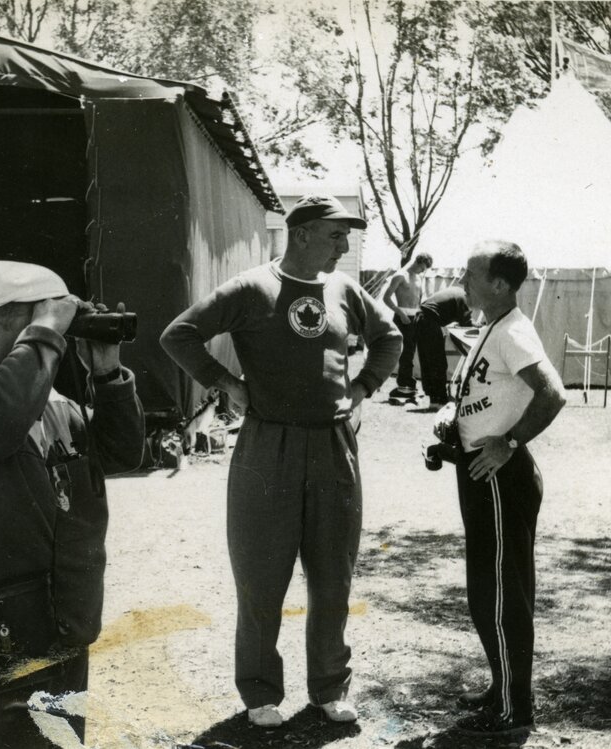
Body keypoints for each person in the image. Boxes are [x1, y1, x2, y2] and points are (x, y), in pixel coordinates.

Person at [160, 195, 402, 728]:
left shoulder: (344, 290)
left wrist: (364, 385)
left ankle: (330, 687)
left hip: (334, 446)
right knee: (261, 576)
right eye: (335, 235)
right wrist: (225, 383)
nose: (343, 246)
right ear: (301, 234)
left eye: (347, 237)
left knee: (333, 575)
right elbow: (179, 334)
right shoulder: (251, 288)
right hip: (268, 446)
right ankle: (260, 690)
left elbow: (390, 337)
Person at [0, 261, 145, 748]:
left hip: (62, 623)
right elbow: (2, 415)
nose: (55, 339)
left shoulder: (51, 404)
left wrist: (106, 371)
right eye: (39, 324)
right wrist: (48, 330)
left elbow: (124, 453)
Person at [435, 240, 565, 738]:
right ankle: (502, 688)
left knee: (502, 594)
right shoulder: (489, 326)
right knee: (485, 591)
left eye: (470, 275)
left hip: (500, 479)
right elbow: (483, 394)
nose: (462, 282)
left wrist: (509, 442)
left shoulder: (512, 331)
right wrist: (452, 419)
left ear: (499, 283)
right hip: (480, 473)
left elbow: (553, 394)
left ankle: (514, 710)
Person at [381, 252, 432, 398]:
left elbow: (419, 299)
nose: (423, 271)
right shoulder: (400, 275)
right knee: (406, 353)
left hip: (415, 316)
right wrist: (400, 313)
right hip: (403, 316)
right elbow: (386, 297)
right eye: (422, 268)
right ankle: (404, 386)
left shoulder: (419, 277)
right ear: (417, 262)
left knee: (413, 352)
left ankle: (410, 385)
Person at [414, 286, 473, 408]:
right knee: (438, 363)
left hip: (419, 318)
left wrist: (465, 353)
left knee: (428, 362)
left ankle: (434, 400)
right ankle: (440, 400)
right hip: (429, 321)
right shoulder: (463, 297)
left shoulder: (456, 292)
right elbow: (466, 324)